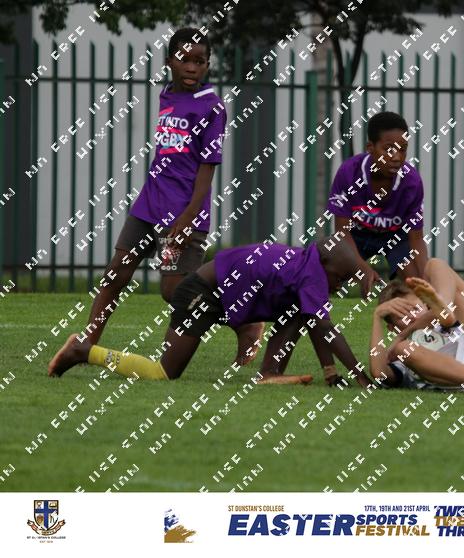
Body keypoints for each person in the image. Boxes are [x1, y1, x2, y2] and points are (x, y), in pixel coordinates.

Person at [68, 28, 264, 356]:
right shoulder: (167, 95)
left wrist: (187, 218)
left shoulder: (212, 108)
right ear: (169, 61)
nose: (191, 67)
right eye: (184, 59)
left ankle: (244, 322)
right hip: (149, 207)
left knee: (174, 291)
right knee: (116, 273)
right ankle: (86, 344)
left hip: (181, 215)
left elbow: (207, 170)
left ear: (208, 65)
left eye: (199, 61)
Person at [48, 236, 373, 387]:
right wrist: (361, 375)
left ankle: (269, 372)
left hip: (224, 293)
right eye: (340, 278)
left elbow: (316, 324)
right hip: (200, 294)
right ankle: (83, 351)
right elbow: (326, 328)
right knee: (163, 373)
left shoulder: (307, 262)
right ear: (325, 264)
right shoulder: (312, 274)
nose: (340, 285)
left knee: (301, 313)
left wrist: (331, 374)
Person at [368, 258, 464, 396]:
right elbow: (379, 374)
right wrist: (377, 316)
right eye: (402, 315)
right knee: (403, 349)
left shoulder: (440, 318)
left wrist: (403, 334)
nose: (413, 316)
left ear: (426, 304)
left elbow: (435, 316)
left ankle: (445, 304)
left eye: (415, 309)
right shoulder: (399, 356)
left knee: (434, 264)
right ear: (392, 327)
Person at [327, 111, 429, 292]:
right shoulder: (349, 173)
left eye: (403, 149)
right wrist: (363, 268)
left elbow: (416, 238)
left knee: (416, 283)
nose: (397, 157)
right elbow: (342, 232)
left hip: (395, 237)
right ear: (370, 147)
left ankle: (410, 303)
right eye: (389, 149)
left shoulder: (411, 181)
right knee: (326, 271)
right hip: (357, 234)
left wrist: (426, 281)